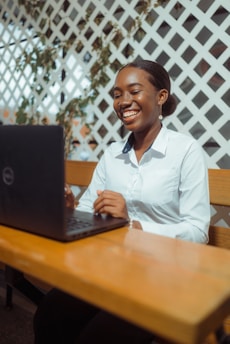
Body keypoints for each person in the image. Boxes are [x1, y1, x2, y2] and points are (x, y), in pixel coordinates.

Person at [33, 60, 210, 343]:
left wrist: (134, 225)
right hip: (110, 267)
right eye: (117, 94)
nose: (123, 101)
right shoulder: (113, 153)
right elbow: (88, 206)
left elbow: (198, 231)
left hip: (165, 275)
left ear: (161, 97)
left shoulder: (186, 152)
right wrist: (69, 210)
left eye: (134, 91)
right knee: (48, 316)